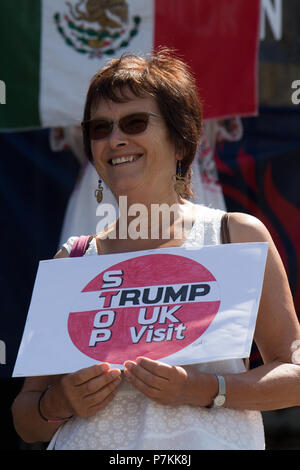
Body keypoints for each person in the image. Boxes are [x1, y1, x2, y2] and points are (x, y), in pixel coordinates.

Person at [12, 49, 300, 450]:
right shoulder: (73, 259)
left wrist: (204, 389)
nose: (115, 139)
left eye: (134, 122)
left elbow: (295, 374)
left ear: (181, 141)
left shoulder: (234, 236)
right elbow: (26, 418)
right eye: (99, 128)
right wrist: (58, 403)